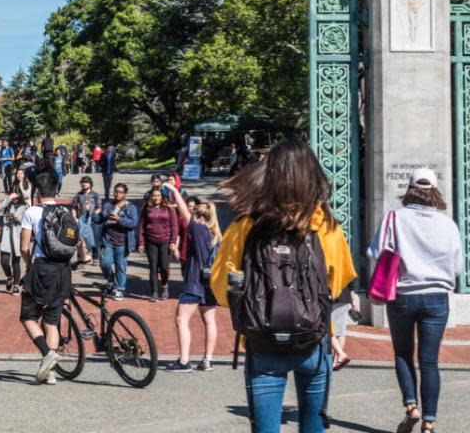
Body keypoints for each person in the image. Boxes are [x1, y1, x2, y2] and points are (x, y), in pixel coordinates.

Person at [210, 140, 357, 433]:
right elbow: (339, 279)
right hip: (313, 339)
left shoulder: (246, 225)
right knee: (314, 426)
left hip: (262, 340)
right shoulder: (325, 225)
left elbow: (221, 287)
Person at [368, 168, 463, 433]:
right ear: (435, 191)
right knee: (430, 361)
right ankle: (429, 422)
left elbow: (375, 251)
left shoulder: (395, 218)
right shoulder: (448, 224)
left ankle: (411, 407)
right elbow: (457, 266)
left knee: (402, 353)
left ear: (410, 189)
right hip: (436, 298)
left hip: (402, 294)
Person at [20, 169, 72, 385]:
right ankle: (50, 372)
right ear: (56, 189)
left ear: (38, 191)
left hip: (42, 269)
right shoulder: (66, 212)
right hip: (63, 270)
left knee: (28, 316)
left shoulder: (31, 212)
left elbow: (24, 247)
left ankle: (47, 354)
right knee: (51, 320)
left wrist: (28, 265)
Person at [166, 195, 220, 372]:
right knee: (209, 320)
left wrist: (174, 189)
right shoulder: (215, 235)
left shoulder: (198, 229)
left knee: (181, 319)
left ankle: (184, 361)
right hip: (210, 283)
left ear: (198, 215)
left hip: (195, 281)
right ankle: (207, 360)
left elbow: (184, 212)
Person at [96, 182, 138, 300]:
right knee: (105, 263)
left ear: (125, 194)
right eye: (115, 191)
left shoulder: (131, 208)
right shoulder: (108, 205)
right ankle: (111, 280)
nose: (117, 194)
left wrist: (119, 219)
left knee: (120, 266)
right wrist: (93, 212)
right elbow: (99, 219)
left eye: (120, 192)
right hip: (108, 241)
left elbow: (133, 223)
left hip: (123, 242)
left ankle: (119, 289)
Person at [139, 183, 179, 301]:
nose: (156, 197)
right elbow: (141, 225)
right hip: (151, 241)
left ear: (162, 196)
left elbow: (174, 226)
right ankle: (154, 292)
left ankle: (164, 284)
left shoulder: (169, 208)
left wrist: (173, 241)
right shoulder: (147, 208)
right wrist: (141, 242)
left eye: (158, 195)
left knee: (164, 267)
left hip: (165, 241)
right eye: (154, 195)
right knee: (153, 267)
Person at [0, 184, 30, 295]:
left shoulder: (25, 206)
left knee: (16, 261)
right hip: (6, 234)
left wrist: (18, 218)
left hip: (17, 234)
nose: (15, 197)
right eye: (13, 194)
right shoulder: (7, 203)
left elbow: (26, 222)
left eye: (17, 195)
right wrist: (9, 199)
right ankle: (9, 276)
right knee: (4, 261)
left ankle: (16, 285)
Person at [72, 176, 100, 262]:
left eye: (86, 182)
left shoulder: (95, 195)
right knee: (81, 239)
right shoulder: (78, 195)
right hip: (81, 220)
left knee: (94, 238)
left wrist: (93, 214)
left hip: (92, 220)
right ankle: (81, 257)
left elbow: (99, 207)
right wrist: (74, 218)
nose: (84, 184)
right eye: (83, 182)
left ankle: (95, 257)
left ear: (91, 184)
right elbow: (73, 208)